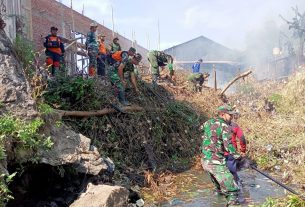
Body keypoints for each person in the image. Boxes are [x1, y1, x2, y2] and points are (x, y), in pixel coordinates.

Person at [200, 105, 241, 206]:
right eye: (230, 115)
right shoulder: (224, 126)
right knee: (233, 191)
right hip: (216, 162)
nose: (232, 117)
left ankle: (217, 203)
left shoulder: (207, 122)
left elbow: (200, 129)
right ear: (222, 114)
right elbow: (228, 146)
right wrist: (238, 156)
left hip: (205, 161)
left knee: (219, 188)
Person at [225, 115, 247, 184]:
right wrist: (243, 150)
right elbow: (242, 138)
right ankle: (236, 189)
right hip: (231, 153)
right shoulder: (234, 125)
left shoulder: (216, 125)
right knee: (232, 171)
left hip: (219, 153)